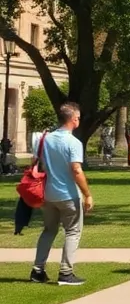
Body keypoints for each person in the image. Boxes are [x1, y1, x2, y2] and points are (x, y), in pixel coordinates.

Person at [31, 102, 92, 286]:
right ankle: (66, 272)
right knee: (73, 231)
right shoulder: (73, 142)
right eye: (78, 118)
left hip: (48, 194)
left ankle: (37, 269)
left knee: (49, 230)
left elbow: (37, 162)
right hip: (68, 194)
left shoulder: (45, 139)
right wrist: (87, 194)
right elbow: (76, 170)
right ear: (74, 119)